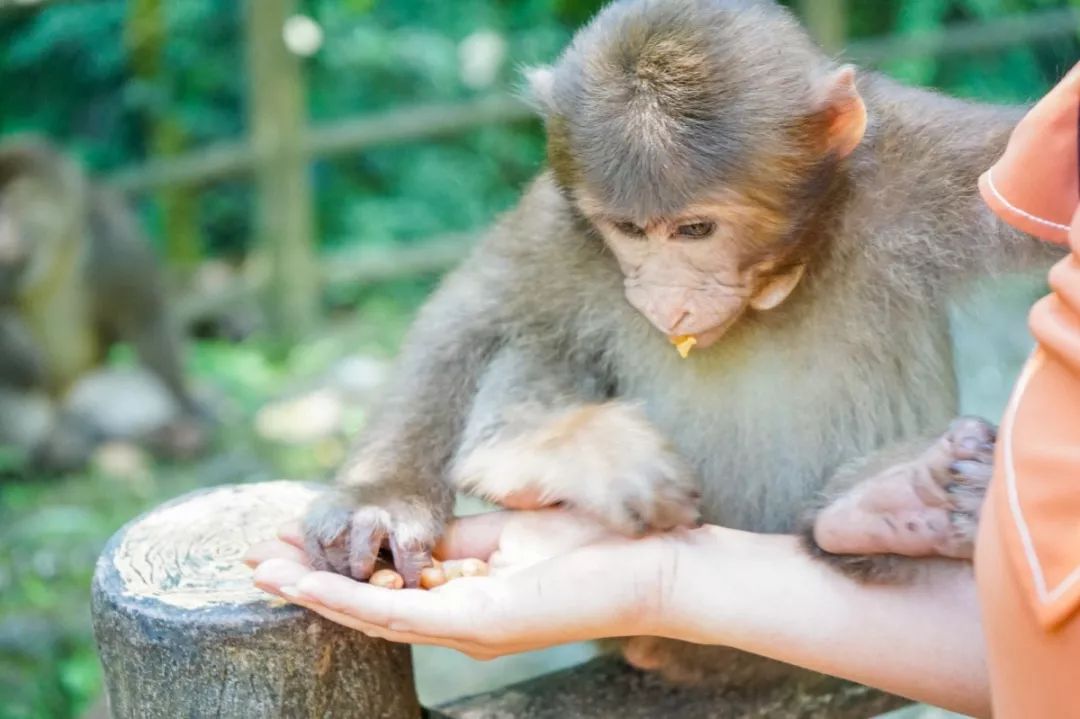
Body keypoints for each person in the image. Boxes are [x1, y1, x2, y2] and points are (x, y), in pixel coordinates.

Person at [247, 63, 1080, 719]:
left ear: (833, 124)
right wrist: (391, 485)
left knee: (895, 324)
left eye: (695, 228)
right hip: (652, 545)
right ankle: (549, 440)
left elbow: (1052, 188)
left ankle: (868, 509)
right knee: (521, 326)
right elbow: (465, 322)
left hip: (861, 562)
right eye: (625, 229)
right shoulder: (562, 222)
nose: (663, 293)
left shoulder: (896, 162)